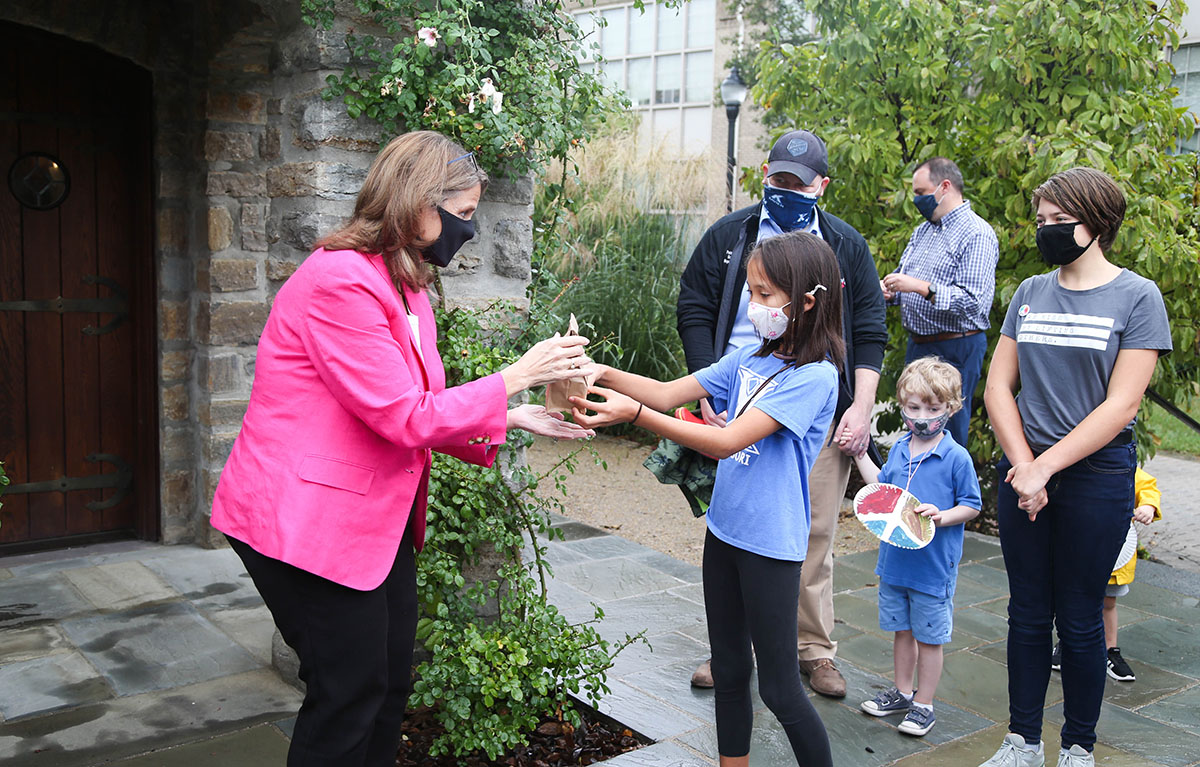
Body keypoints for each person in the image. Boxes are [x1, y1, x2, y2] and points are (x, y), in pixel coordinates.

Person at [210, 131, 595, 767]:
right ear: (418, 203)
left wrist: (516, 415)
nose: (468, 233)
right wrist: (514, 376)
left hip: (372, 523)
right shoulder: (340, 281)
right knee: (345, 693)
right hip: (300, 522)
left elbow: (415, 406)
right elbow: (400, 416)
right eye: (463, 215)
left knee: (387, 684)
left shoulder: (407, 284)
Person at [573, 230, 842, 767]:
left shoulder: (816, 376)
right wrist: (599, 372)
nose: (754, 303)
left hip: (770, 547)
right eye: (751, 290)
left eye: (766, 294)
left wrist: (637, 418)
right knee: (731, 673)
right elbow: (669, 392)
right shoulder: (748, 358)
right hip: (725, 534)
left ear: (807, 301)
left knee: (781, 690)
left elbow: (725, 441)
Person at [676, 128, 887, 697]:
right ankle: (732, 651)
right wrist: (704, 387)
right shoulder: (730, 235)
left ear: (822, 185)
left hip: (810, 411)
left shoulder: (845, 247)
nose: (785, 190)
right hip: (736, 404)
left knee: (814, 531)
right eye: (776, 179)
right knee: (738, 531)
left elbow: (869, 329)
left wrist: (860, 406)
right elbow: (693, 306)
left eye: (798, 183)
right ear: (764, 176)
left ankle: (814, 651)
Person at [981, 167, 1172, 767]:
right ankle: (1021, 742)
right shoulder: (1030, 293)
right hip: (1024, 467)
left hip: (1096, 477)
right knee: (1027, 613)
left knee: (1083, 618)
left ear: (1098, 222)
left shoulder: (1138, 297)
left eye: (1060, 222)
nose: (1048, 232)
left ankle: (1078, 748)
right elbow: (996, 388)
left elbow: (1122, 405)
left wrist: (1045, 469)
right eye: (1041, 222)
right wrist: (1024, 467)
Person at [853, 357, 982, 738]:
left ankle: (924, 705)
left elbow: (971, 505)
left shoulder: (956, 457)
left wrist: (942, 515)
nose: (921, 416)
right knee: (901, 632)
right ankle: (902, 692)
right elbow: (882, 489)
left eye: (933, 408)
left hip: (932, 569)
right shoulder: (899, 449)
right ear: (901, 406)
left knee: (929, 638)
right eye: (913, 408)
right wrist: (860, 454)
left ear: (951, 408)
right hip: (895, 564)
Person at [881, 157, 998, 449]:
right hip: (918, 344)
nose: (916, 200)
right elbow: (904, 280)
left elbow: (974, 303)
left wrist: (920, 288)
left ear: (945, 187)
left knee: (948, 433)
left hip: (955, 347)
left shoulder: (977, 233)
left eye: (921, 192)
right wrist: (891, 292)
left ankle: (948, 494)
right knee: (915, 428)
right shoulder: (923, 231)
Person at [1052, 468, 1161, 682]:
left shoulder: (1123, 465)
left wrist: (1148, 505)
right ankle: (1067, 640)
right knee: (1072, 599)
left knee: (1108, 603)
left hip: (1115, 555)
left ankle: (1110, 650)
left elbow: (1147, 486)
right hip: (1078, 547)